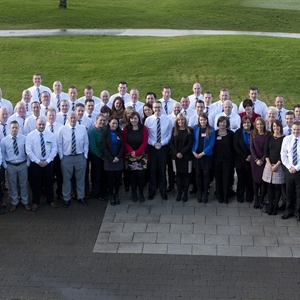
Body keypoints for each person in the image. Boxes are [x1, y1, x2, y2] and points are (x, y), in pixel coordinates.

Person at [57, 111, 89, 208]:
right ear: (68, 119)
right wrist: (62, 157)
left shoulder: (82, 128)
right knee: (66, 180)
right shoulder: (62, 129)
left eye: (74, 118)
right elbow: (59, 144)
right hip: (67, 158)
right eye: (71, 118)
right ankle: (66, 198)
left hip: (80, 157)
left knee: (80, 178)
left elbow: (86, 143)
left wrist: (85, 156)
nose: (73, 120)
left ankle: (81, 196)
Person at [26, 117, 57, 211]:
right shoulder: (30, 136)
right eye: (39, 124)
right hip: (36, 163)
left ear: (45, 125)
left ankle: (50, 200)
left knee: (49, 182)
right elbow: (29, 151)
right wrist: (38, 161)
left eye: (43, 124)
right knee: (36, 183)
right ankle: (36, 202)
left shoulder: (50, 135)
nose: (41, 126)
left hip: (48, 162)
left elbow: (54, 149)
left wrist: (47, 161)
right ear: (36, 124)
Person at [145, 101, 173, 200]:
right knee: (152, 170)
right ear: (153, 108)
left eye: (159, 107)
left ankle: (163, 191)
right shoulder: (148, 120)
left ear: (162, 108)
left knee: (162, 170)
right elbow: (146, 135)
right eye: (155, 107)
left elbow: (170, 133)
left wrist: (162, 143)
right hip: (152, 148)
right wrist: (153, 144)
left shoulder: (167, 119)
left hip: (163, 147)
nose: (157, 109)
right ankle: (152, 191)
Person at [1, 121, 31, 212]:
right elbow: (2, 154)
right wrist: (5, 165)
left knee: (24, 184)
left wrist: (28, 163)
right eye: (13, 127)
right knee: (12, 185)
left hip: (22, 165)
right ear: (9, 128)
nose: (14, 129)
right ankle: (14, 202)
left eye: (16, 127)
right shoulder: (4, 141)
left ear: (19, 128)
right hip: (11, 166)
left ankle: (25, 201)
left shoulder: (24, 139)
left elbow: (28, 152)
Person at [123, 112, 149, 202]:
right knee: (132, 176)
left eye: (135, 118)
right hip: (130, 156)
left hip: (141, 155)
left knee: (141, 175)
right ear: (129, 119)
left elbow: (145, 142)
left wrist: (137, 152)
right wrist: (131, 151)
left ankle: (141, 193)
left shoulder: (144, 129)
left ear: (138, 119)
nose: (133, 120)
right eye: (131, 118)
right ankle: (134, 193)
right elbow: (125, 142)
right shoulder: (126, 129)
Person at [262, 120, 285, 215]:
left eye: (278, 126)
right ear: (272, 127)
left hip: (278, 165)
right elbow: (266, 151)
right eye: (274, 126)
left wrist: (276, 165)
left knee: (277, 187)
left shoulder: (284, 139)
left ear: (281, 127)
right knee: (270, 186)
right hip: (269, 165)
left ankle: (276, 207)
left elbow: (284, 154)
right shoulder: (269, 137)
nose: (276, 128)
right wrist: (269, 163)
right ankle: (270, 205)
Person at [192, 113, 215, 203]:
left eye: (204, 120)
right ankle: (199, 192)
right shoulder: (195, 128)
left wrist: (202, 153)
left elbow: (211, 144)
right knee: (197, 174)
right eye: (201, 120)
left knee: (206, 174)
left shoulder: (211, 129)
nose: (202, 122)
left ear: (207, 120)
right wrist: (193, 151)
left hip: (206, 155)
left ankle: (205, 192)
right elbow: (193, 141)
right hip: (196, 155)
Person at [169, 113, 193, 202]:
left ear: (185, 120)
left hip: (186, 156)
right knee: (178, 175)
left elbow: (190, 144)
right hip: (176, 157)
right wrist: (176, 153)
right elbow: (171, 143)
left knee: (186, 175)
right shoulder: (174, 130)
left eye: (182, 120)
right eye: (179, 120)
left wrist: (182, 153)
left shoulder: (190, 130)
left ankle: (185, 193)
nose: (181, 121)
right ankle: (179, 193)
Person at [102, 116, 124, 205]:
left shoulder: (120, 133)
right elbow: (104, 147)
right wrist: (111, 158)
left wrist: (118, 157)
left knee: (117, 179)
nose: (115, 125)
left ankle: (117, 194)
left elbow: (122, 146)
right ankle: (111, 195)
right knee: (110, 179)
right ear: (109, 123)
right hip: (109, 159)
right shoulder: (105, 133)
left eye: (116, 123)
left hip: (118, 159)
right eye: (113, 123)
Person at [281, 121, 300, 222]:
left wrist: (296, 168)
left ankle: (298, 212)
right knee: (289, 190)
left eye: (298, 129)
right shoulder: (287, 139)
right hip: (289, 169)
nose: (296, 131)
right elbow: (283, 154)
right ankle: (289, 210)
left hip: (299, 170)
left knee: (299, 192)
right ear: (291, 129)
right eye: (294, 129)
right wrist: (289, 167)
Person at [213, 116, 235, 203]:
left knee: (227, 179)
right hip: (217, 160)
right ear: (218, 123)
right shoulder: (214, 133)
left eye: (224, 122)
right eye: (221, 122)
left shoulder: (230, 134)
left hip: (228, 160)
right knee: (218, 178)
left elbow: (233, 147)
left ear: (227, 124)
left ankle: (226, 197)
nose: (222, 124)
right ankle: (219, 196)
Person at [233, 116, 254, 203]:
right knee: (241, 179)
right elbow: (236, 146)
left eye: (248, 122)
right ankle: (240, 197)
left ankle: (249, 197)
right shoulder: (238, 133)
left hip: (252, 160)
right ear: (242, 124)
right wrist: (246, 156)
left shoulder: (254, 132)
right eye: (245, 123)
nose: (246, 124)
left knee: (250, 180)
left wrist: (251, 156)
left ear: (251, 123)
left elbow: (256, 146)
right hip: (241, 160)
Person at [250, 117, 269, 209]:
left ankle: (261, 199)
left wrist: (262, 159)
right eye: (257, 124)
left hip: (264, 161)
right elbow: (251, 148)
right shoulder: (253, 134)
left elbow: (268, 149)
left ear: (264, 125)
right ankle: (256, 200)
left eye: (261, 124)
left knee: (263, 181)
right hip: (255, 161)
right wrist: (256, 159)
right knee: (255, 181)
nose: (259, 126)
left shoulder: (267, 134)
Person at [87, 113, 107, 200]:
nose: (102, 122)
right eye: (100, 120)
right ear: (96, 121)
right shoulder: (92, 131)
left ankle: (104, 191)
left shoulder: (105, 128)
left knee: (104, 174)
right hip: (96, 156)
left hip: (105, 156)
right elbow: (93, 146)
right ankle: (96, 193)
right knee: (97, 174)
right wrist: (101, 155)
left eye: (104, 120)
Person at [45, 108, 63, 199]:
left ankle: (59, 192)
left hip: (58, 155)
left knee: (60, 175)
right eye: (49, 115)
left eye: (53, 115)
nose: (51, 117)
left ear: (56, 116)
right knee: (49, 176)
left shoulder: (61, 127)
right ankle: (49, 194)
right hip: (47, 156)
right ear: (46, 116)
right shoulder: (43, 127)